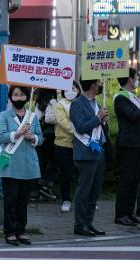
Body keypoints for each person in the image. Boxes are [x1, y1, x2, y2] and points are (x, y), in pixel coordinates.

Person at [0, 85, 43, 246]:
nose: (19, 98)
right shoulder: (4, 115)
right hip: (9, 164)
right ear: (10, 97)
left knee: (23, 202)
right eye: (15, 95)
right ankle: (9, 232)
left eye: (22, 95)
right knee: (10, 201)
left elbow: (40, 138)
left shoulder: (32, 116)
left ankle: (21, 231)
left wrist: (31, 137)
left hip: (28, 165)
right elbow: (1, 137)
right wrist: (17, 133)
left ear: (26, 97)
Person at [114, 68, 140, 226]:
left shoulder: (132, 97)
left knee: (135, 179)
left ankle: (130, 212)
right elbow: (133, 117)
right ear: (130, 79)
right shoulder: (120, 98)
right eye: (136, 77)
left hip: (138, 144)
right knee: (127, 180)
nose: (137, 79)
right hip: (128, 144)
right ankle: (121, 214)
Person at [70, 78, 109, 236]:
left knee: (95, 191)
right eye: (99, 82)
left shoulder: (96, 103)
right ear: (92, 84)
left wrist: (103, 121)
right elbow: (80, 127)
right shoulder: (77, 103)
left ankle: (88, 222)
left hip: (98, 151)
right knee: (84, 191)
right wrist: (98, 118)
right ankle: (80, 224)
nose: (100, 85)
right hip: (85, 152)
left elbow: (97, 126)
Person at [54, 80, 81, 212]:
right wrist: (79, 130)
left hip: (81, 144)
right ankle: (66, 200)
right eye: (68, 88)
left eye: (74, 88)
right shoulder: (60, 104)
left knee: (82, 173)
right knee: (66, 173)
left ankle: (83, 199)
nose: (71, 91)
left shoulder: (83, 103)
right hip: (63, 144)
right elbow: (62, 121)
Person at [34, 89, 58, 200]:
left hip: (40, 136)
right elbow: (49, 119)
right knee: (54, 162)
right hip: (49, 137)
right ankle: (45, 186)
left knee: (42, 163)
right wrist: (60, 118)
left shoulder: (38, 101)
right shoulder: (52, 101)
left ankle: (40, 190)